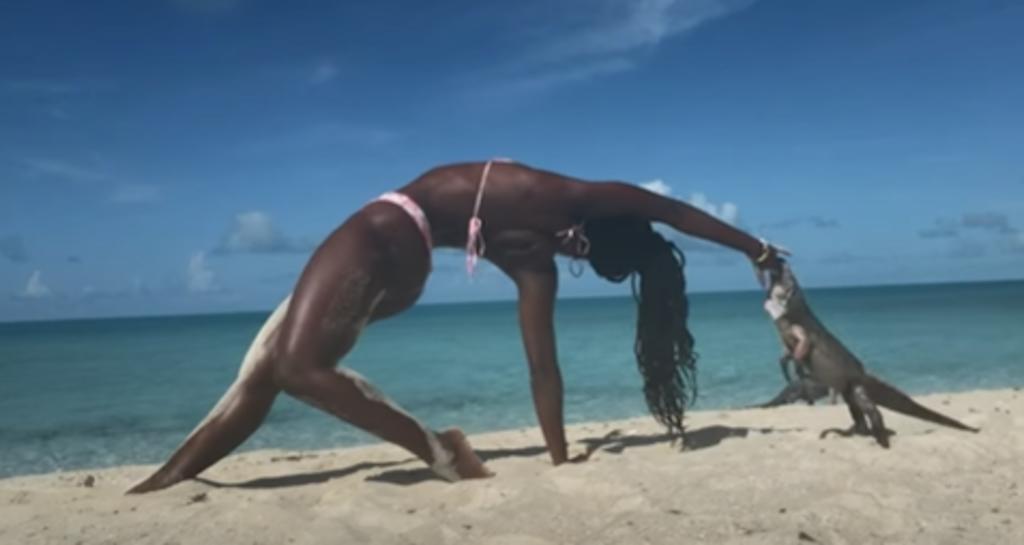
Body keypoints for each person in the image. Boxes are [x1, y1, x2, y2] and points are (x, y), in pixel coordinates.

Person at [128, 159, 784, 493]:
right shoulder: (561, 204)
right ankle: (165, 480)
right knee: (267, 372)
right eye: (587, 250)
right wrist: (754, 248)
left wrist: (559, 456)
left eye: (584, 259)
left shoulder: (538, 256)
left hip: (386, 235)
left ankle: (441, 448)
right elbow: (673, 212)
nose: (575, 254)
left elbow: (543, 366)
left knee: (296, 367)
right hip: (396, 247)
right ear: (599, 231)